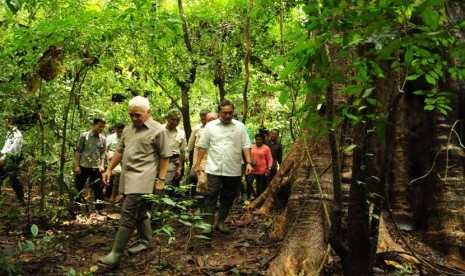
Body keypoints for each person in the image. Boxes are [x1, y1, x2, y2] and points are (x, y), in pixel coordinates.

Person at [99, 96, 171, 267]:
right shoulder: (128, 130)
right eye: (131, 115)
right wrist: (109, 169)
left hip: (144, 178)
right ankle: (147, 241)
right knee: (139, 212)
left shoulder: (159, 130)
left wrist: (160, 180)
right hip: (128, 176)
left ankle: (116, 254)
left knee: (128, 214)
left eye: (138, 115)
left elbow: (165, 157)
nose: (134, 118)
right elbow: (119, 151)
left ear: (148, 112)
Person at [195, 100, 253, 234]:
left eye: (230, 113)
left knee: (228, 196)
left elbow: (246, 146)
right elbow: (202, 145)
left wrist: (249, 162)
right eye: (225, 113)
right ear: (219, 112)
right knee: (212, 194)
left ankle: (220, 222)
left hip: (233, 169)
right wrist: (197, 164)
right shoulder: (210, 127)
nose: (228, 115)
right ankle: (208, 225)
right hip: (214, 168)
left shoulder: (240, 127)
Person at [74, 118, 106, 211]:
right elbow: (78, 151)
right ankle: (77, 208)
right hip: (83, 166)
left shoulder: (103, 139)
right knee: (79, 187)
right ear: (94, 124)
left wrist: (102, 165)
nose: (101, 129)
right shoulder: (84, 136)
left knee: (98, 189)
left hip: (96, 167)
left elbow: (102, 153)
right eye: (99, 126)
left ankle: (99, 209)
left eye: (103, 127)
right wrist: (76, 165)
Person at [192, 112, 218, 214]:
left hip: (217, 163)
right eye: (209, 120)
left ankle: (210, 208)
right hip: (204, 162)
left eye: (214, 120)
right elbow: (197, 150)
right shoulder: (200, 132)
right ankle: (200, 207)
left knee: (213, 187)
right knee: (202, 183)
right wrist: (195, 165)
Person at [186, 109, 210, 196]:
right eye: (202, 119)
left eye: (205, 119)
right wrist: (187, 153)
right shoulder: (197, 128)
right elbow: (191, 142)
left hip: (209, 158)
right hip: (197, 157)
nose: (203, 121)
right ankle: (194, 197)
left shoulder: (213, 127)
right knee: (193, 176)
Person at [0, 118, 24, 204]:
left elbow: (13, 150)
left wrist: (3, 158)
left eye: (5, 121)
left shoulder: (18, 135)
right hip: (5, 156)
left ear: (10, 122)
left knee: (13, 179)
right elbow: (6, 147)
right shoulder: (9, 133)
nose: (3, 123)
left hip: (12, 159)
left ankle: (20, 199)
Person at [163, 109, 186, 195]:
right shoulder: (159, 129)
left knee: (166, 184)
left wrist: (179, 168)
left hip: (172, 161)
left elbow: (181, 151)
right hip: (158, 160)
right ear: (167, 118)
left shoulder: (181, 133)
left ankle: (162, 206)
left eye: (178, 120)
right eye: (173, 119)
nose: (175, 122)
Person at [105, 122, 125, 203]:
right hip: (112, 157)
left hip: (124, 157)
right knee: (118, 172)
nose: (120, 134)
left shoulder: (127, 137)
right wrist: (108, 156)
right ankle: (113, 195)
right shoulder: (110, 138)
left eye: (121, 132)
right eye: (118, 132)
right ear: (115, 130)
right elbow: (104, 149)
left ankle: (120, 194)